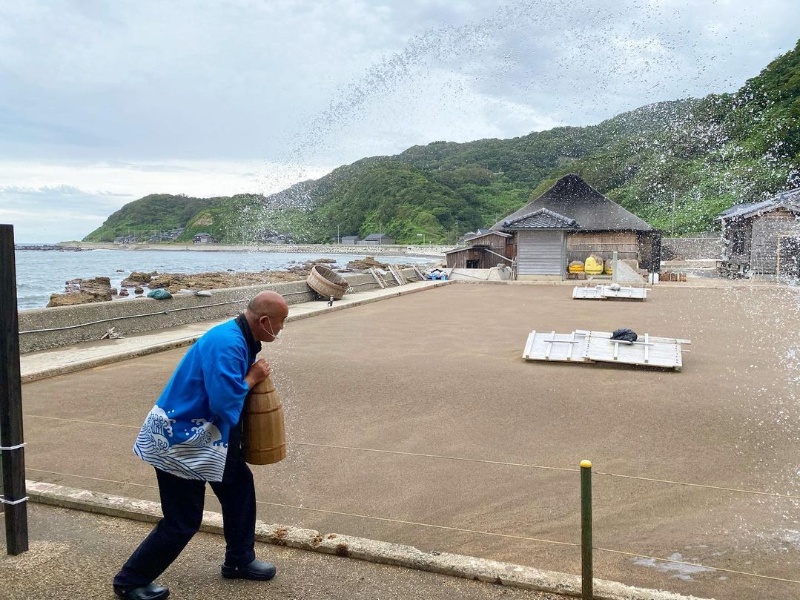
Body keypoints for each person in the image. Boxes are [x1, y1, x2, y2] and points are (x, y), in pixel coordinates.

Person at [112, 290, 290, 600]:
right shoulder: (229, 344)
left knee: (239, 490)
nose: (283, 327)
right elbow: (223, 403)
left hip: (205, 436)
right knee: (183, 519)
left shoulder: (237, 336)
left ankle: (239, 560)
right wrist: (253, 376)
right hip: (178, 439)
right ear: (264, 321)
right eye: (281, 322)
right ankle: (130, 580)